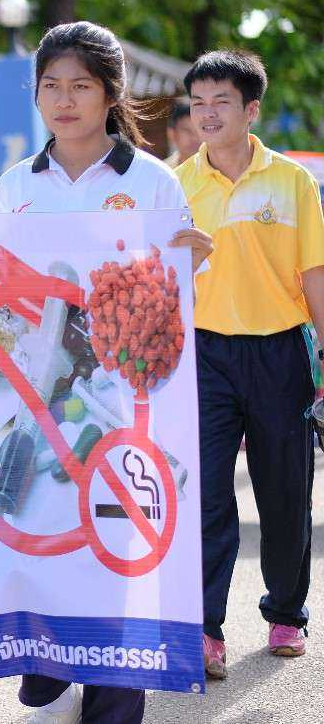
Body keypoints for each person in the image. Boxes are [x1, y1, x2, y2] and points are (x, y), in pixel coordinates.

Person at [0, 21, 212, 724]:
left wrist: (190, 262)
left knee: (113, 555)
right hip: (35, 408)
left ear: (111, 94)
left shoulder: (153, 182)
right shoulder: (17, 183)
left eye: (80, 86)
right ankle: (47, 688)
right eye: (51, 85)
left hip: (123, 409)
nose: (64, 100)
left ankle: (112, 705)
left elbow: (173, 301)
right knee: (37, 552)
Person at [175, 49, 323, 680]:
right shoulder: (176, 185)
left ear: (251, 109)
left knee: (284, 491)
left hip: (279, 350)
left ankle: (286, 613)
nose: (207, 114)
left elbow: (314, 274)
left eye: (221, 102)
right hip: (205, 353)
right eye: (198, 103)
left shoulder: (292, 181)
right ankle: (205, 628)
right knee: (207, 495)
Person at [163, 100, 202, 168]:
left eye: (199, 130)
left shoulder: (219, 168)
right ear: (172, 133)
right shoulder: (163, 170)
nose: (194, 137)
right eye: (187, 130)